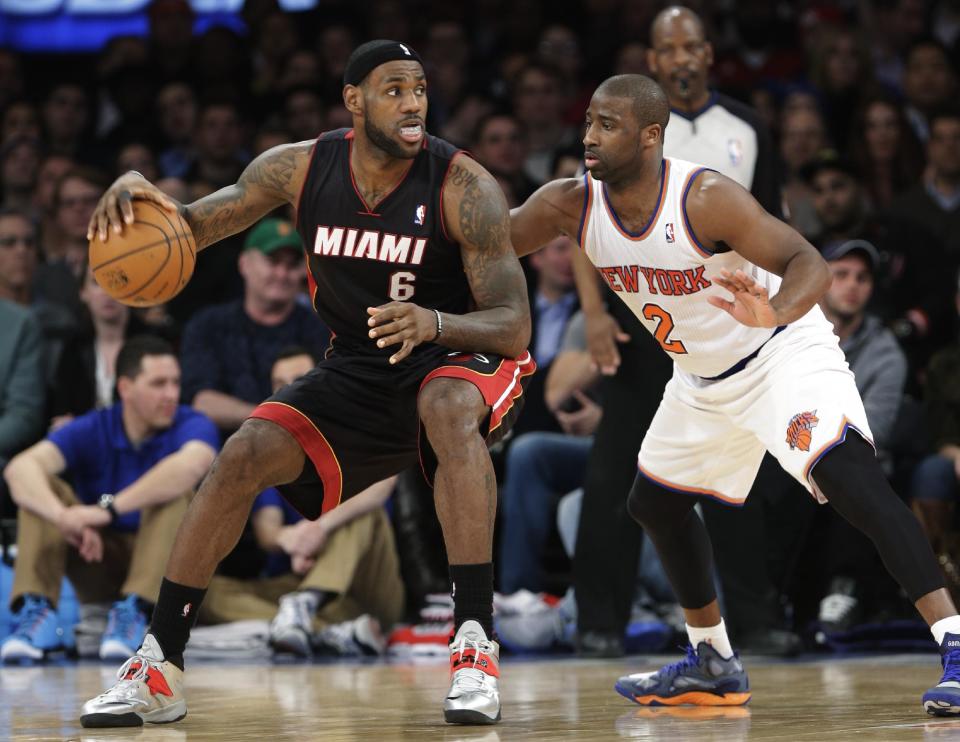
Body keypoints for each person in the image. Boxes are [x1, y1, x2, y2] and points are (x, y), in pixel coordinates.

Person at [80, 40, 532, 728]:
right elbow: (193, 228)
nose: (413, 103)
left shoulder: (464, 186)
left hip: (460, 354)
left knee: (443, 402)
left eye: (419, 88)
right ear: (354, 100)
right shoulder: (298, 168)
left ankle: (474, 643)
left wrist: (435, 322)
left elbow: (513, 324)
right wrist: (141, 195)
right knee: (241, 455)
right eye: (393, 89)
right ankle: (159, 663)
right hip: (357, 361)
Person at [510, 72, 960, 715]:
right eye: (587, 121)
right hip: (700, 378)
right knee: (654, 506)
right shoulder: (567, 203)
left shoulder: (704, 197)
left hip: (779, 353)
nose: (588, 136)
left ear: (649, 137)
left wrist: (773, 311)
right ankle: (713, 660)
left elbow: (811, 262)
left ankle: (955, 645)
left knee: (852, 480)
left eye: (606, 125)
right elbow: (488, 241)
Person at [569, 4, 788, 659]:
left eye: (694, 45)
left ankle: (754, 620)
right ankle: (597, 620)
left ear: (709, 55)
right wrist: (594, 314)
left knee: (735, 476)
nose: (684, 57)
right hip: (645, 325)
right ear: (654, 62)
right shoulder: (629, 128)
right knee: (616, 475)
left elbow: (775, 226)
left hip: (724, 331)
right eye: (670, 48)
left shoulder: (746, 128)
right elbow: (581, 221)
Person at [1, 336, 218, 662]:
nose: (171, 394)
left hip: (164, 570)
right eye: (159, 383)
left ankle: (139, 612)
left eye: (175, 382)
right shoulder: (96, 424)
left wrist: (107, 510)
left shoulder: (192, 422)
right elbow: (20, 469)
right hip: (97, 556)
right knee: (42, 488)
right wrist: (65, 517)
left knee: (174, 493)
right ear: (126, 388)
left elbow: (190, 466)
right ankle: (38, 615)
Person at [201, 346, 405, 659]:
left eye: (297, 380)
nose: (288, 390)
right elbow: (268, 531)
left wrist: (319, 530)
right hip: (294, 579)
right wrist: (291, 540)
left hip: (366, 588)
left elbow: (383, 485)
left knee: (364, 513)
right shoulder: (270, 453)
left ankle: (307, 605)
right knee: (204, 593)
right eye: (279, 383)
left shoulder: (357, 431)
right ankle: (323, 630)